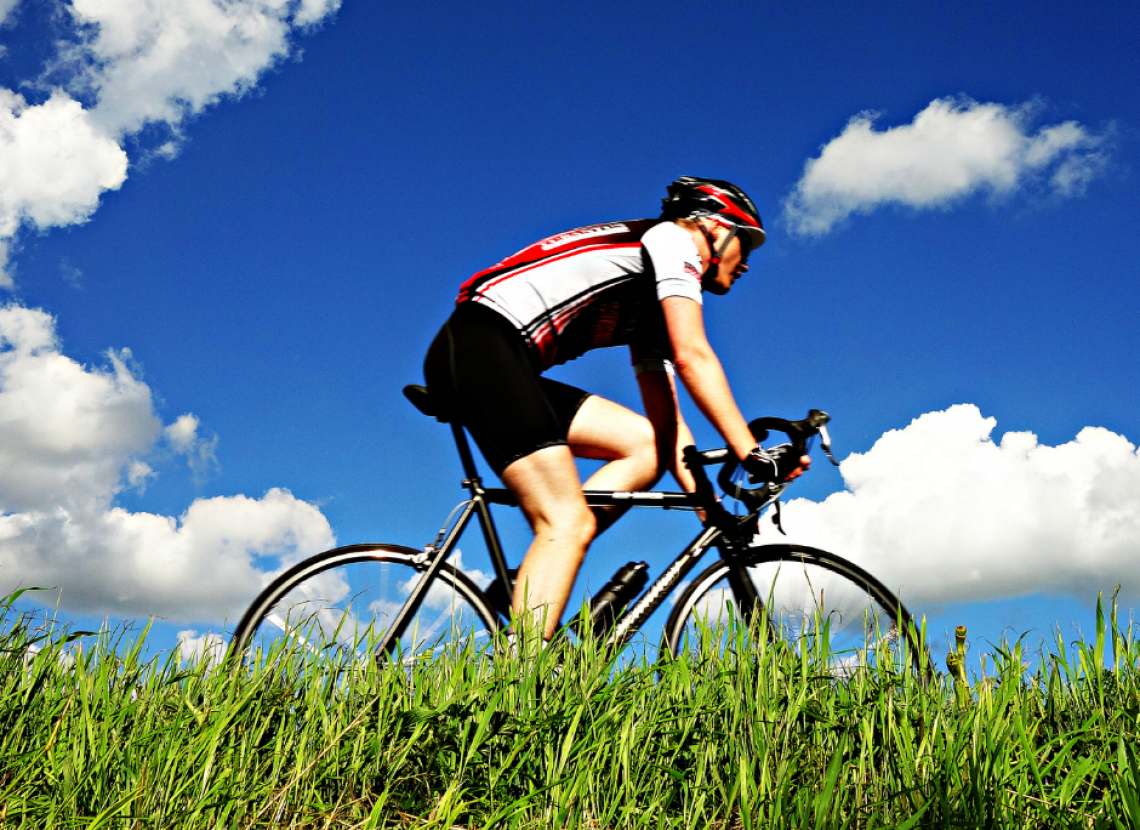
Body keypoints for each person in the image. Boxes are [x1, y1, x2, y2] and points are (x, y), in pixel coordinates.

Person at [423, 177, 809, 639]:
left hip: (491, 356)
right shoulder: (675, 240)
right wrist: (752, 452)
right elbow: (694, 356)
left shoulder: (652, 299)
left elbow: (667, 425)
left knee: (645, 446)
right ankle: (520, 673)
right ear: (712, 226)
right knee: (565, 521)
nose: (745, 263)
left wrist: (705, 501)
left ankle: (532, 575)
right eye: (744, 242)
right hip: (481, 347)